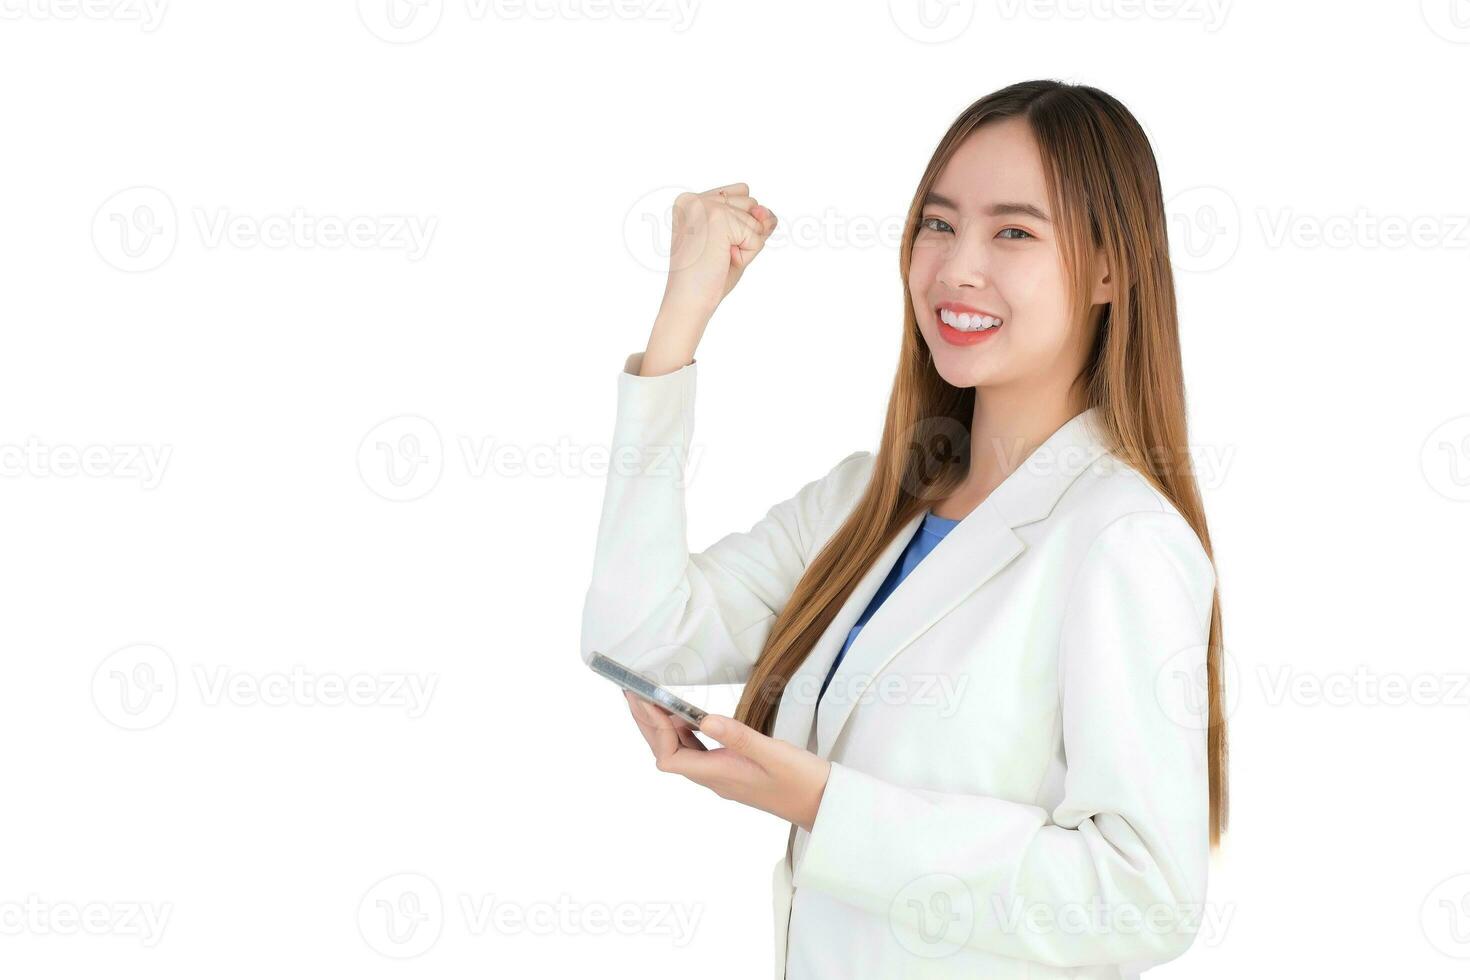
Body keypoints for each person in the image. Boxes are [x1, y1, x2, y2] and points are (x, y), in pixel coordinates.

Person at [580, 78, 1227, 980]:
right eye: (936, 223)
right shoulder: (869, 501)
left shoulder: (1121, 540)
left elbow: (1145, 899)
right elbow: (637, 630)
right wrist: (681, 318)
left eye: (1013, 231)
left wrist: (828, 807)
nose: (957, 267)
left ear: (1112, 269)